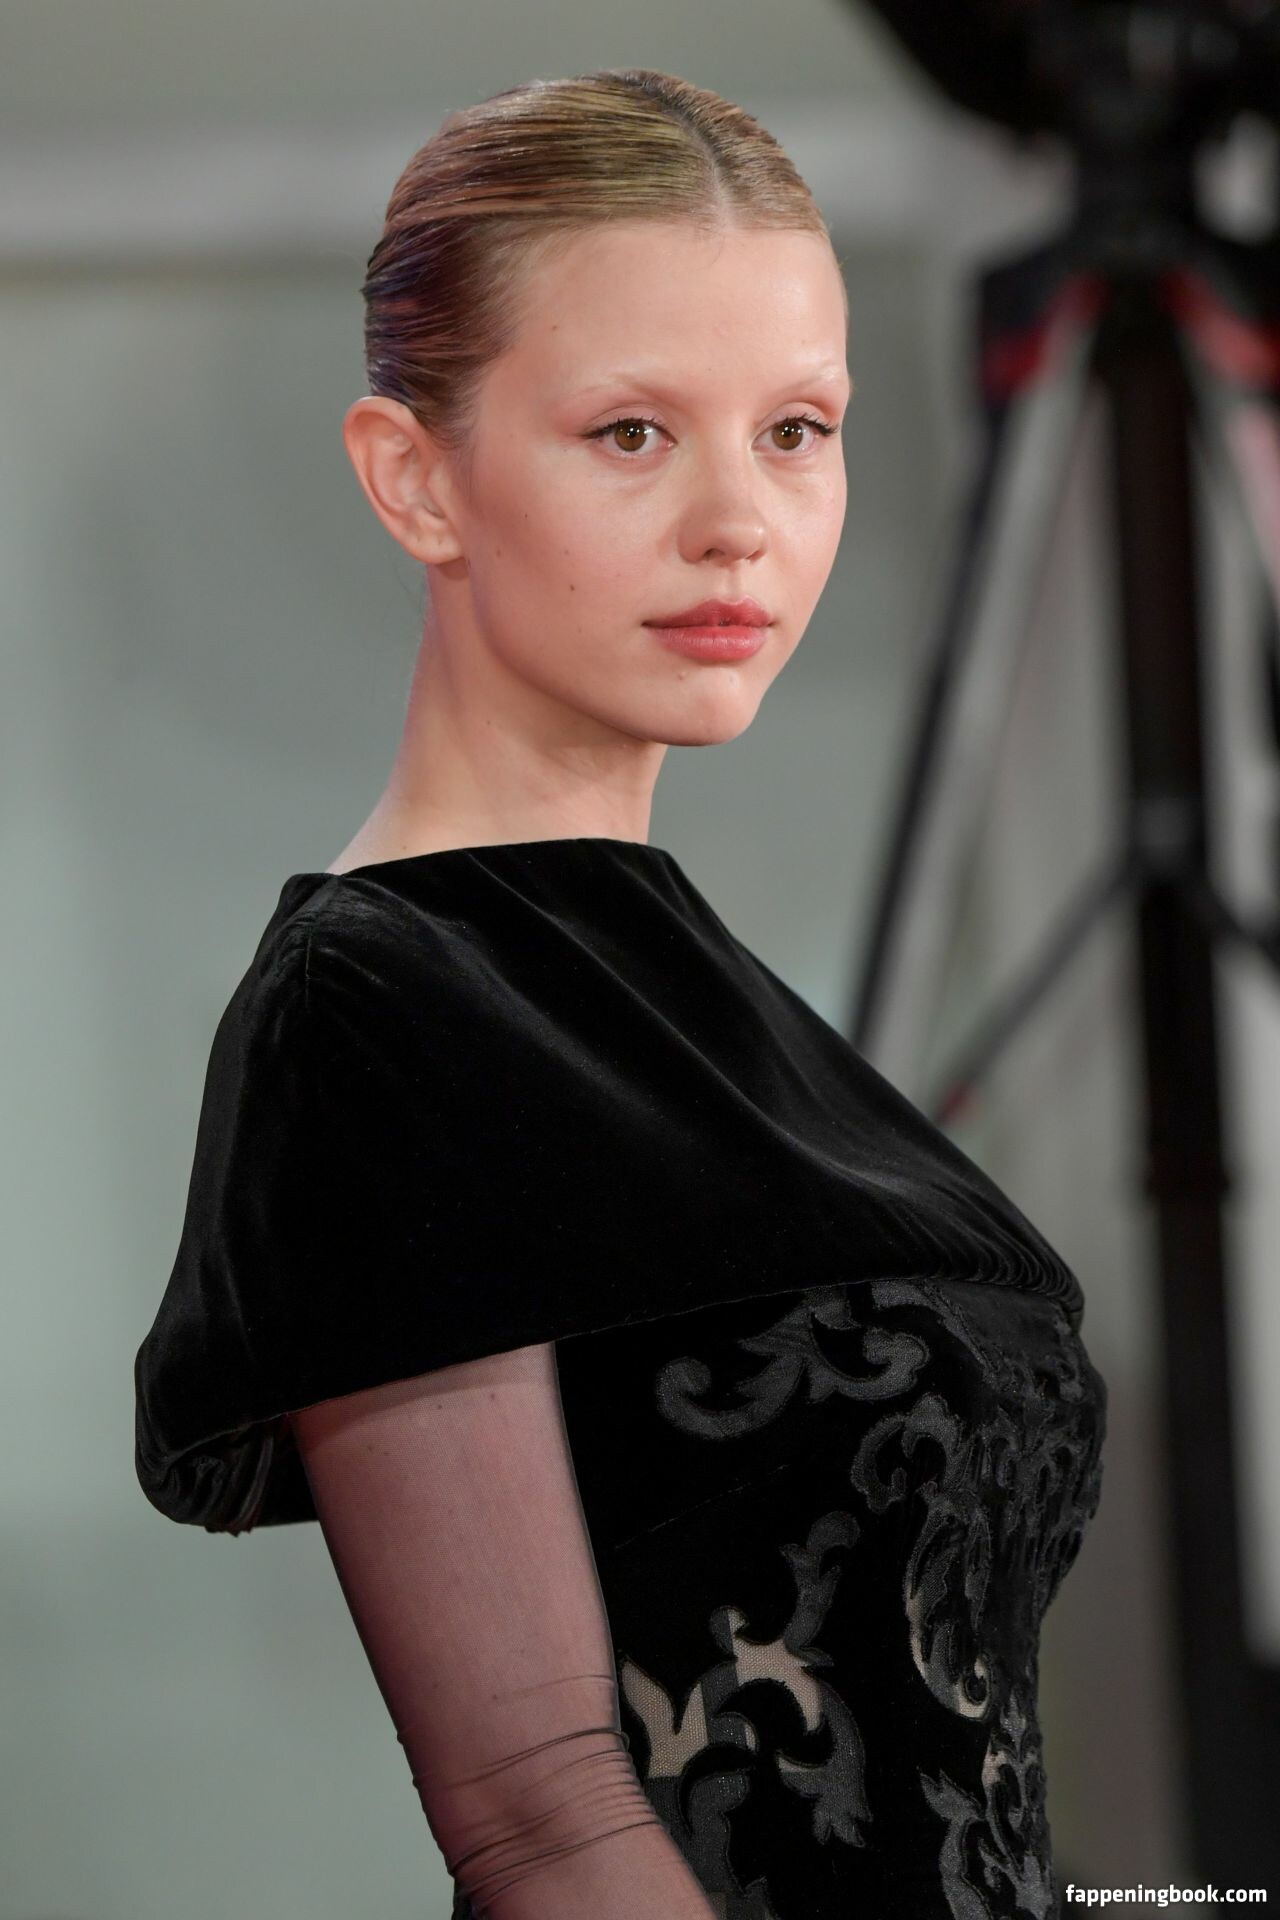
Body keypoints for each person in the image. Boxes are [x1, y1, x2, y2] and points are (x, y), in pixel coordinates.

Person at [133, 68, 1108, 1920]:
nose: (741, 520)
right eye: (634, 433)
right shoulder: (379, 1003)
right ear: (415, 478)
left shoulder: (708, 996)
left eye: (799, 429)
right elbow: (544, 1818)